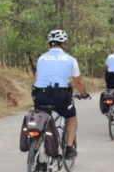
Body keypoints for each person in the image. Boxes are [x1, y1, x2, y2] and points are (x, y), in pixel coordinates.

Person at [32, 29, 90, 164]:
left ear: (49, 44)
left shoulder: (41, 58)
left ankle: (35, 148)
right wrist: (84, 94)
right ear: (64, 44)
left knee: (43, 119)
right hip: (60, 96)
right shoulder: (70, 59)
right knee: (71, 116)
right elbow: (79, 82)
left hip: (39, 95)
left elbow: (40, 77)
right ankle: (69, 149)